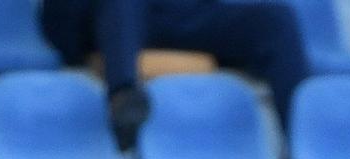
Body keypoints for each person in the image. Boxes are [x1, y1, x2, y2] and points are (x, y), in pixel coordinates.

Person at [38, 0, 312, 149]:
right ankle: (123, 98)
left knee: (276, 20)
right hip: (104, 16)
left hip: (176, 13)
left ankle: (306, 142)